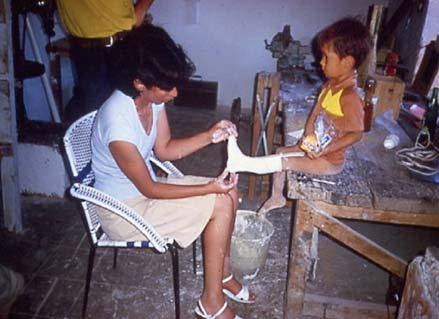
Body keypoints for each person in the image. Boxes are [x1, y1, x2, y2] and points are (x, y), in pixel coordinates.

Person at [91, 23, 255, 319]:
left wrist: (210, 134)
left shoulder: (150, 100)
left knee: (229, 192)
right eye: (168, 86)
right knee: (219, 199)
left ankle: (223, 274)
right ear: (140, 82)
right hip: (123, 210)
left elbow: (165, 149)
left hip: (144, 191)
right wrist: (208, 189)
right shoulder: (118, 124)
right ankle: (211, 302)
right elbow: (150, 190)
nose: (176, 92)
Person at [227, 17, 371, 214]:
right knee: (280, 152)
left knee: (285, 163)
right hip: (315, 147)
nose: (320, 62)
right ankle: (277, 197)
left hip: (329, 160)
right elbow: (315, 112)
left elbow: (356, 134)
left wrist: (325, 149)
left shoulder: (350, 97)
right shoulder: (330, 85)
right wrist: (309, 134)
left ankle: (243, 163)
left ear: (347, 62)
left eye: (326, 58)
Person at [55, 0, 154, 123]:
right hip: (84, 49)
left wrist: (142, 9)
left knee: (128, 111)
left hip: (122, 41)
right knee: (92, 114)